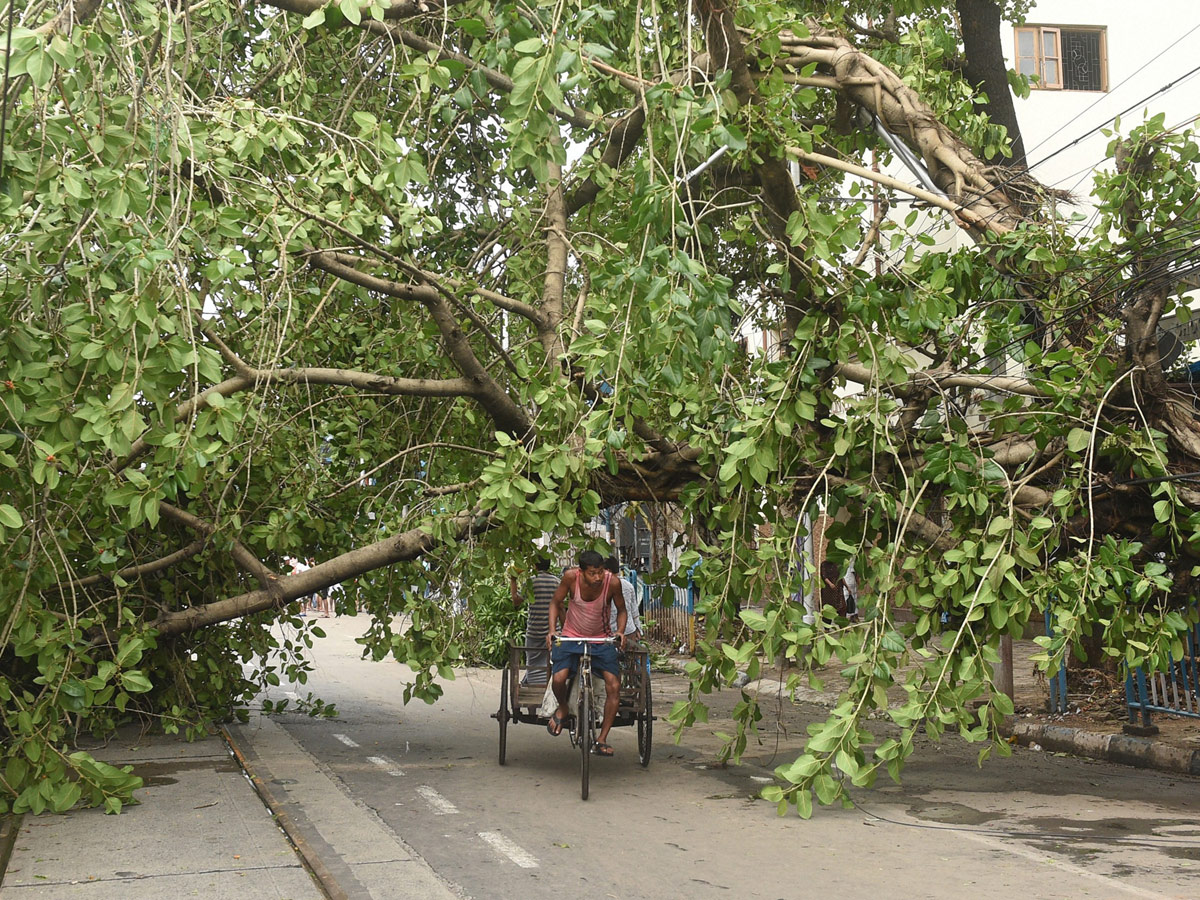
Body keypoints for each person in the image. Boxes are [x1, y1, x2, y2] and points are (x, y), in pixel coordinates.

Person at [545, 549, 627, 757]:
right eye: (592, 573)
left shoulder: (612, 583)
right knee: (559, 678)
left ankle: (602, 738)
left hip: (601, 640)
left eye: (600, 571)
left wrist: (620, 632)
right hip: (572, 637)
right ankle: (563, 708)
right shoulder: (570, 578)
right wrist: (552, 630)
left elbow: (622, 610)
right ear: (581, 572)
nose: (598, 577)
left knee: (614, 685)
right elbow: (556, 603)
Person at [509, 555, 557, 685]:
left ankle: (532, 686)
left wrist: (513, 579)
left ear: (535, 566)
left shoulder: (531, 582)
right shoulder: (557, 582)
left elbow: (516, 601)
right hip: (553, 633)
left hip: (534, 631)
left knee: (533, 665)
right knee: (551, 664)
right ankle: (546, 688)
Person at [605, 556, 642, 645]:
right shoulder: (628, 586)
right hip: (628, 631)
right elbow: (634, 612)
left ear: (608, 570)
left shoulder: (602, 586)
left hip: (610, 633)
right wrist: (639, 629)